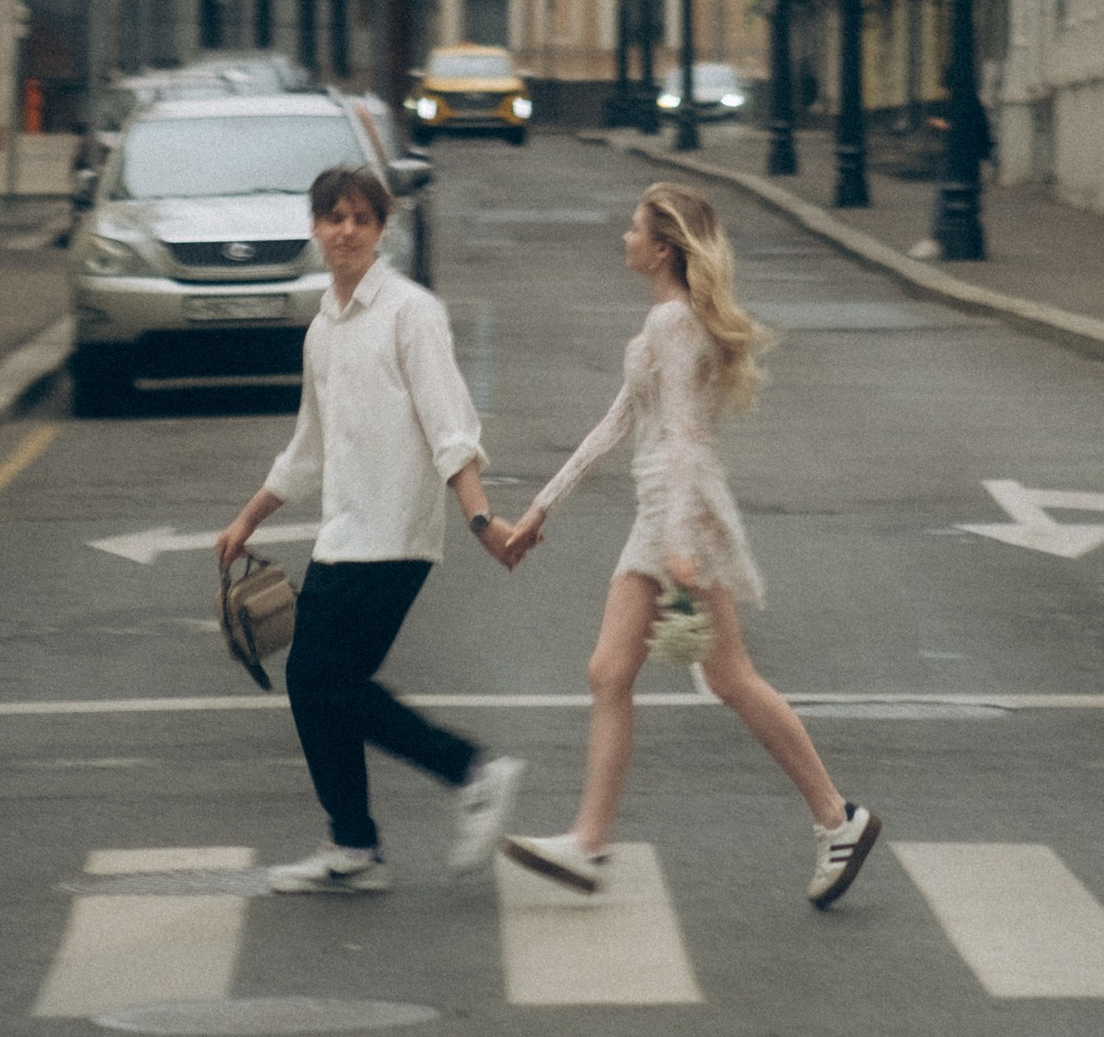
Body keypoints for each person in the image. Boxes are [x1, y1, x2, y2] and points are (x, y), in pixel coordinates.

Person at [495, 179, 883, 910]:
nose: (625, 238)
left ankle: (838, 818)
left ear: (663, 246)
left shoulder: (675, 327)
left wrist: (676, 542)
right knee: (610, 671)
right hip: (662, 512)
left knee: (731, 677)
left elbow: (679, 442)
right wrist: (541, 508)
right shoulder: (664, 323)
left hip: (679, 513)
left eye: (634, 228)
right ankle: (590, 842)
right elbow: (616, 425)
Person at [216, 163, 523, 893]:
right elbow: (308, 448)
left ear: (382, 229)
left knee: (325, 677)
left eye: (360, 218)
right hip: (344, 533)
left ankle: (471, 773)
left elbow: (451, 425)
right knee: (315, 682)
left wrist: (480, 517)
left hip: (396, 533)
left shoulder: (411, 312)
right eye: (333, 217)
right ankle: (352, 846)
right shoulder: (323, 328)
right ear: (315, 229)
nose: (346, 230)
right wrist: (247, 518)